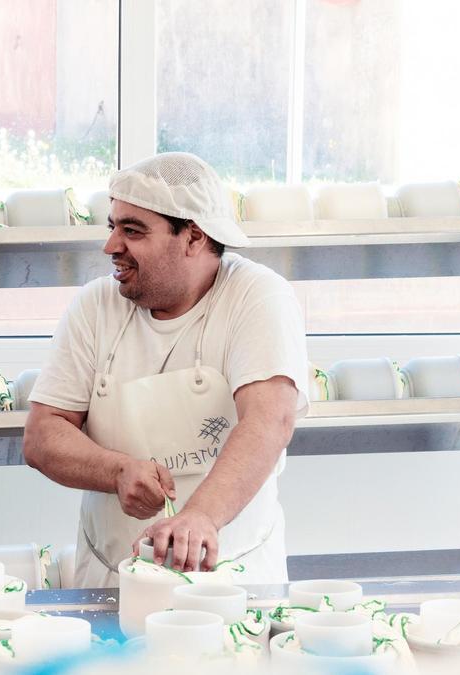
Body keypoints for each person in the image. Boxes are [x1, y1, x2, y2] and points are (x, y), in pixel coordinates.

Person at [23, 152, 308, 586]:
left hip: (231, 580)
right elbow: (43, 435)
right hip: (113, 577)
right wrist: (116, 470)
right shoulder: (95, 307)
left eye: (132, 230)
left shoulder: (255, 297)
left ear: (193, 237)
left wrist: (199, 518)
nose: (111, 246)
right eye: (112, 226)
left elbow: (270, 419)